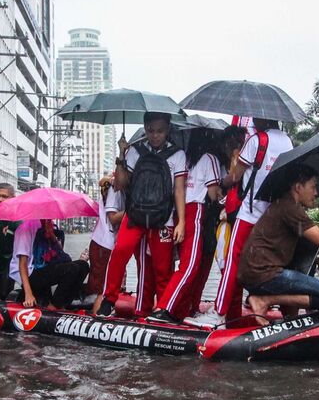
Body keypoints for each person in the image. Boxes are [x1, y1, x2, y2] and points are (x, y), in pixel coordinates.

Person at [195, 118, 293, 327]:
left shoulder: (257, 140)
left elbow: (235, 176)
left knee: (232, 261)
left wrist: (223, 181)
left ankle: (220, 312)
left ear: (262, 118)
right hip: (271, 215)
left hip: (248, 213)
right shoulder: (287, 141)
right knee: (269, 264)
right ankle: (280, 311)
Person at [93, 112, 188, 318]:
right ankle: (109, 300)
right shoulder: (134, 151)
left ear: (168, 130)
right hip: (136, 215)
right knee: (120, 252)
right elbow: (119, 184)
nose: (155, 135)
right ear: (145, 129)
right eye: (151, 131)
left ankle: (162, 310)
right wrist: (121, 154)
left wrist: (181, 222)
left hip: (164, 218)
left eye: (160, 131)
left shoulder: (178, 155)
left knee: (163, 268)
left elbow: (179, 190)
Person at [149, 125, 246, 324]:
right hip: (194, 213)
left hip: (177, 213)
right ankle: (164, 308)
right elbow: (212, 193)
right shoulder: (209, 158)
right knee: (190, 266)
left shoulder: (184, 157)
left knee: (186, 265)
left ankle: (181, 309)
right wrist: (222, 193)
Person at [237, 166, 319, 318]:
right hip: (264, 275)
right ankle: (263, 300)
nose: (316, 193)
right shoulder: (290, 207)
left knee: (306, 255)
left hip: (255, 274)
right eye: (313, 187)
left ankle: (289, 318)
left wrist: (318, 258)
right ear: (298, 187)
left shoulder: (285, 204)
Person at [11, 218, 90, 308]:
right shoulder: (25, 228)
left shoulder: (46, 224)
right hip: (29, 273)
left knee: (83, 265)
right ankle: (54, 306)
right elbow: (22, 264)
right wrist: (28, 294)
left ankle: (64, 304)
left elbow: (60, 253)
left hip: (44, 267)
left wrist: (52, 235)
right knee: (72, 269)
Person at [84, 174, 123, 305]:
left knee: (109, 280)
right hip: (103, 242)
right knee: (99, 285)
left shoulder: (121, 188)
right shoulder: (114, 188)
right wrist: (133, 210)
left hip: (107, 242)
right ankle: (94, 313)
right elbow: (113, 218)